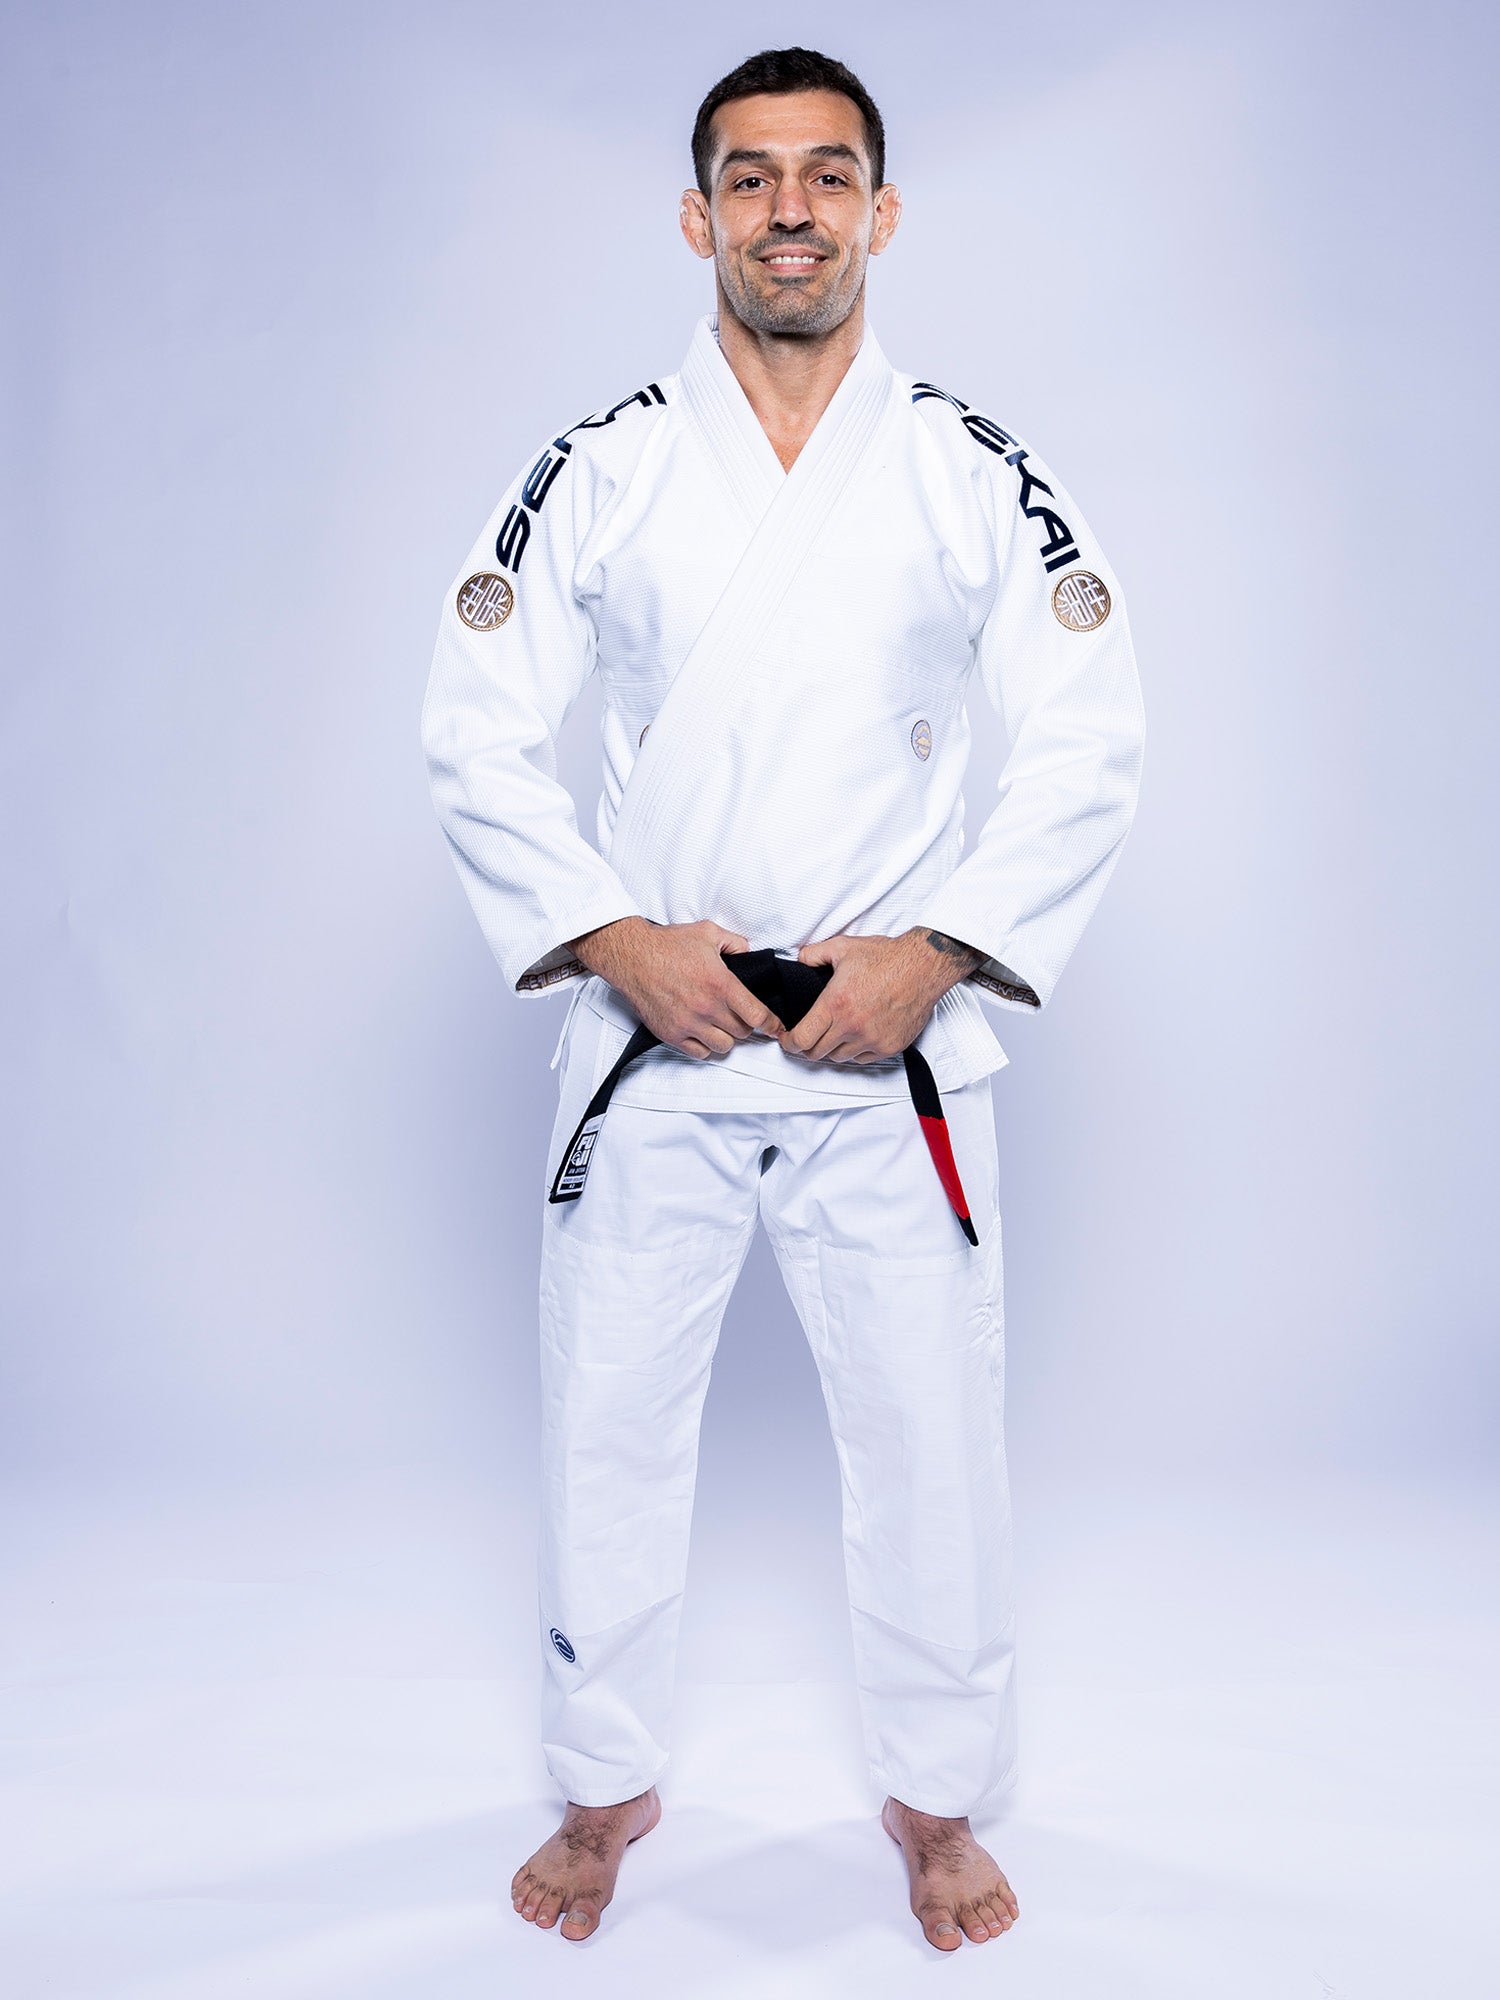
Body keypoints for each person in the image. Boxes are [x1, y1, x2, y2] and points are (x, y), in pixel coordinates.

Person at [421, 45, 1145, 1952]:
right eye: (751, 178)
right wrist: (611, 938)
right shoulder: (600, 464)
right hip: (656, 1033)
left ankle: (935, 1798)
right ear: (699, 219)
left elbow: (1089, 735)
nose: (792, 210)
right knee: (605, 1421)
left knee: (933, 1440)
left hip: (882, 1036)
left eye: (829, 175)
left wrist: (937, 955)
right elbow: (475, 728)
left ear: (882, 214)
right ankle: (603, 1783)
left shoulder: (970, 465)